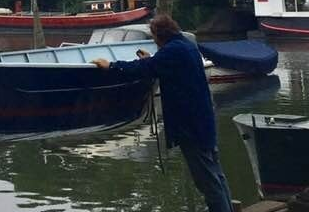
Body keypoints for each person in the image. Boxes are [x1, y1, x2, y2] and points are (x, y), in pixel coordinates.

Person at [92, 14, 233, 212]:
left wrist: (112, 66)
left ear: (159, 35)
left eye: (153, 37)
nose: (153, 41)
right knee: (216, 175)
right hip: (205, 122)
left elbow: (144, 68)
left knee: (207, 182)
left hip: (191, 128)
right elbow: (160, 66)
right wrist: (152, 60)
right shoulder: (187, 45)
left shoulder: (173, 51)